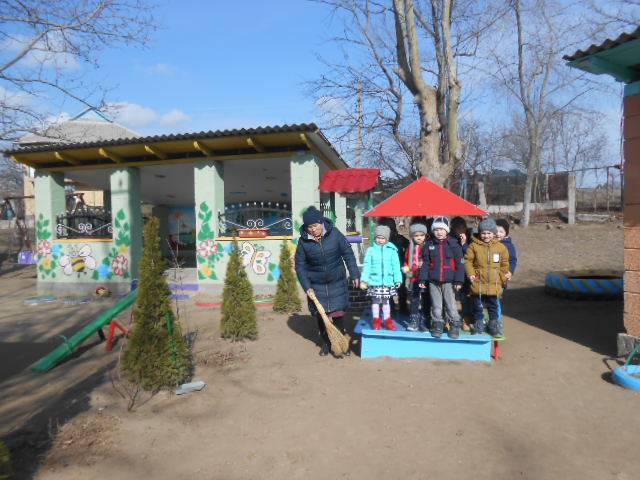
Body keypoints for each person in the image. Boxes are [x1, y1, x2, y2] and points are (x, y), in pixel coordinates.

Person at [295, 206, 360, 356]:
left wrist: (354, 273)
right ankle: (325, 342)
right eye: (309, 227)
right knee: (321, 315)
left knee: (338, 314)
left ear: (321, 222)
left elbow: (348, 253)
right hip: (316, 284)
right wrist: (307, 286)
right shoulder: (303, 242)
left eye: (315, 225)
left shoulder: (335, 234)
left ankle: (341, 343)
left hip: (336, 281)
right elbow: (300, 266)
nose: (312, 229)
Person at [419, 216, 465, 339]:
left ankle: (454, 324)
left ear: (447, 230)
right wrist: (423, 278)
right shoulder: (429, 244)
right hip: (433, 281)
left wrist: (459, 280)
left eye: (442, 229)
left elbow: (460, 263)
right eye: (436, 230)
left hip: (449, 281)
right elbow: (426, 263)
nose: (439, 232)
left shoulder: (454, 244)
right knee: (436, 305)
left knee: (451, 304)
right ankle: (437, 324)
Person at [464, 218, 510, 337]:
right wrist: (471, 274)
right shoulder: (473, 246)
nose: (486, 235)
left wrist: (502, 278)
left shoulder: (501, 248)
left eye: (489, 233)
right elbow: (468, 261)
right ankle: (479, 324)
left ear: (494, 233)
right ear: (479, 233)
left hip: (494, 284)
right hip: (478, 283)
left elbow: (504, 264)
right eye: (483, 233)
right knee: (478, 306)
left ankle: (494, 325)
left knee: (493, 306)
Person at [360, 225, 403, 330]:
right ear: (375, 238)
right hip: (375, 281)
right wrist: (364, 279)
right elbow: (367, 266)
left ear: (387, 239)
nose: (380, 240)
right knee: (375, 301)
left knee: (386, 302)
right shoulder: (371, 250)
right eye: (378, 238)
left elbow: (396, 266)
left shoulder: (392, 250)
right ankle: (376, 320)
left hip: (387, 281)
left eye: (383, 238)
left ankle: (387, 320)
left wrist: (398, 279)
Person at [377, 217, 409, 314]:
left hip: (399, 267)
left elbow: (409, 247)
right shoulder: (383, 240)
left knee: (400, 288)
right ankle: (395, 308)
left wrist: (406, 259)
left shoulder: (399, 238)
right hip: (390, 268)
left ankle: (400, 307)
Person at [403, 222, 429, 331]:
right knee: (414, 299)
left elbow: (432, 260)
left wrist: (425, 263)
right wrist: (406, 267)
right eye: (416, 235)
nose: (419, 238)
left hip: (425, 277)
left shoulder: (428, 246)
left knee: (426, 299)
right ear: (412, 236)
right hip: (414, 278)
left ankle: (424, 320)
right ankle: (414, 320)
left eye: (421, 235)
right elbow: (406, 260)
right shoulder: (410, 248)